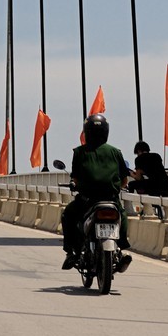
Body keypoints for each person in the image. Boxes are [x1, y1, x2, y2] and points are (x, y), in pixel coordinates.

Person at [61, 114, 132, 271]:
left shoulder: (79, 152)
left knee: (68, 215)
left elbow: (75, 178)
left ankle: (71, 252)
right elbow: (124, 180)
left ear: (86, 132)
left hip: (87, 200)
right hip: (111, 199)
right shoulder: (115, 152)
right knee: (122, 215)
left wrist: (76, 185)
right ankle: (122, 246)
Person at [129, 141, 168, 215]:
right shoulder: (156, 156)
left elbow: (138, 178)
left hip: (153, 185)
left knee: (131, 184)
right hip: (165, 183)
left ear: (138, 151)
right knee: (166, 200)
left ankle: (129, 208)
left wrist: (131, 174)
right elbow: (154, 171)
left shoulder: (139, 159)